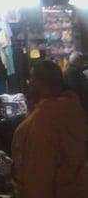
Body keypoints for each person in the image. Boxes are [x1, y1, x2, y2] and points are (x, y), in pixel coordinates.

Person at [12, 60, 87, 198]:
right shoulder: (72, 109)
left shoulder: (42, 121)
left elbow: (38, 177)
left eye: (32, 77)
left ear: (42, 83)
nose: (29, 82)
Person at [64, 52, 88, 118]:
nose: (83, 63)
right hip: (78, 105)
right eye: (82, 61)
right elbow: (76, 90)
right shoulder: (74, 72)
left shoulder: (70, 71)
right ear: (77, 61)